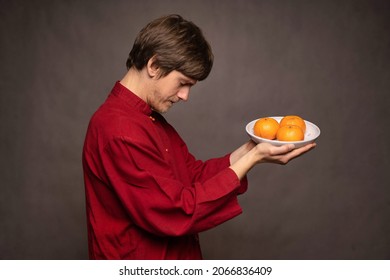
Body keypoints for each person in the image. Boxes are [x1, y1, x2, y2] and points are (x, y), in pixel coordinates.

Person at [82, 14, 316, 260]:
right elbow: (175, 211)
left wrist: (250, 150)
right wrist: (254, 158)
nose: (185, 96)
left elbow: (191, 176)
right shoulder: (119, 129)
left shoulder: (149, 120)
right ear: (154, 65)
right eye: (183, 83)